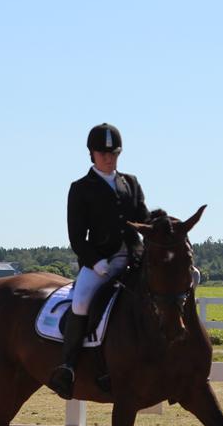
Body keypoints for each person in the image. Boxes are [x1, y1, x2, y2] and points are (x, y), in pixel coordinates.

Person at [48, 123, 150, 400]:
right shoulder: (81, 188)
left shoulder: (130, 183)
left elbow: (144, 220)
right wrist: (94, 263)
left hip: (132, 259)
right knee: (81, 301)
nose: (109, 158)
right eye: (103, 153)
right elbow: (77, 236)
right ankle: (68, 366)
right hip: (100, 263)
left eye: (114, 153)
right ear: (92, 154)